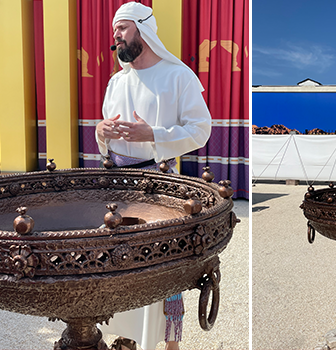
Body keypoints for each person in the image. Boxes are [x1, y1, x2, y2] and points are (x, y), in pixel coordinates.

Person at [95, 3, 211, 350]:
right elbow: (106, 138)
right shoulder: (117, 81)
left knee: (163, 266)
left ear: (144, 30)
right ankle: (125, 337)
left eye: (123, 28)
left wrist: (153, 135)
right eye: (115, 29)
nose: (116, 35)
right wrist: (101, 132)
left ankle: (169, 343)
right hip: (117, 185)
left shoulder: (179, 76)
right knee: (119, 265)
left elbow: (201, 130)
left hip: (159, 184)